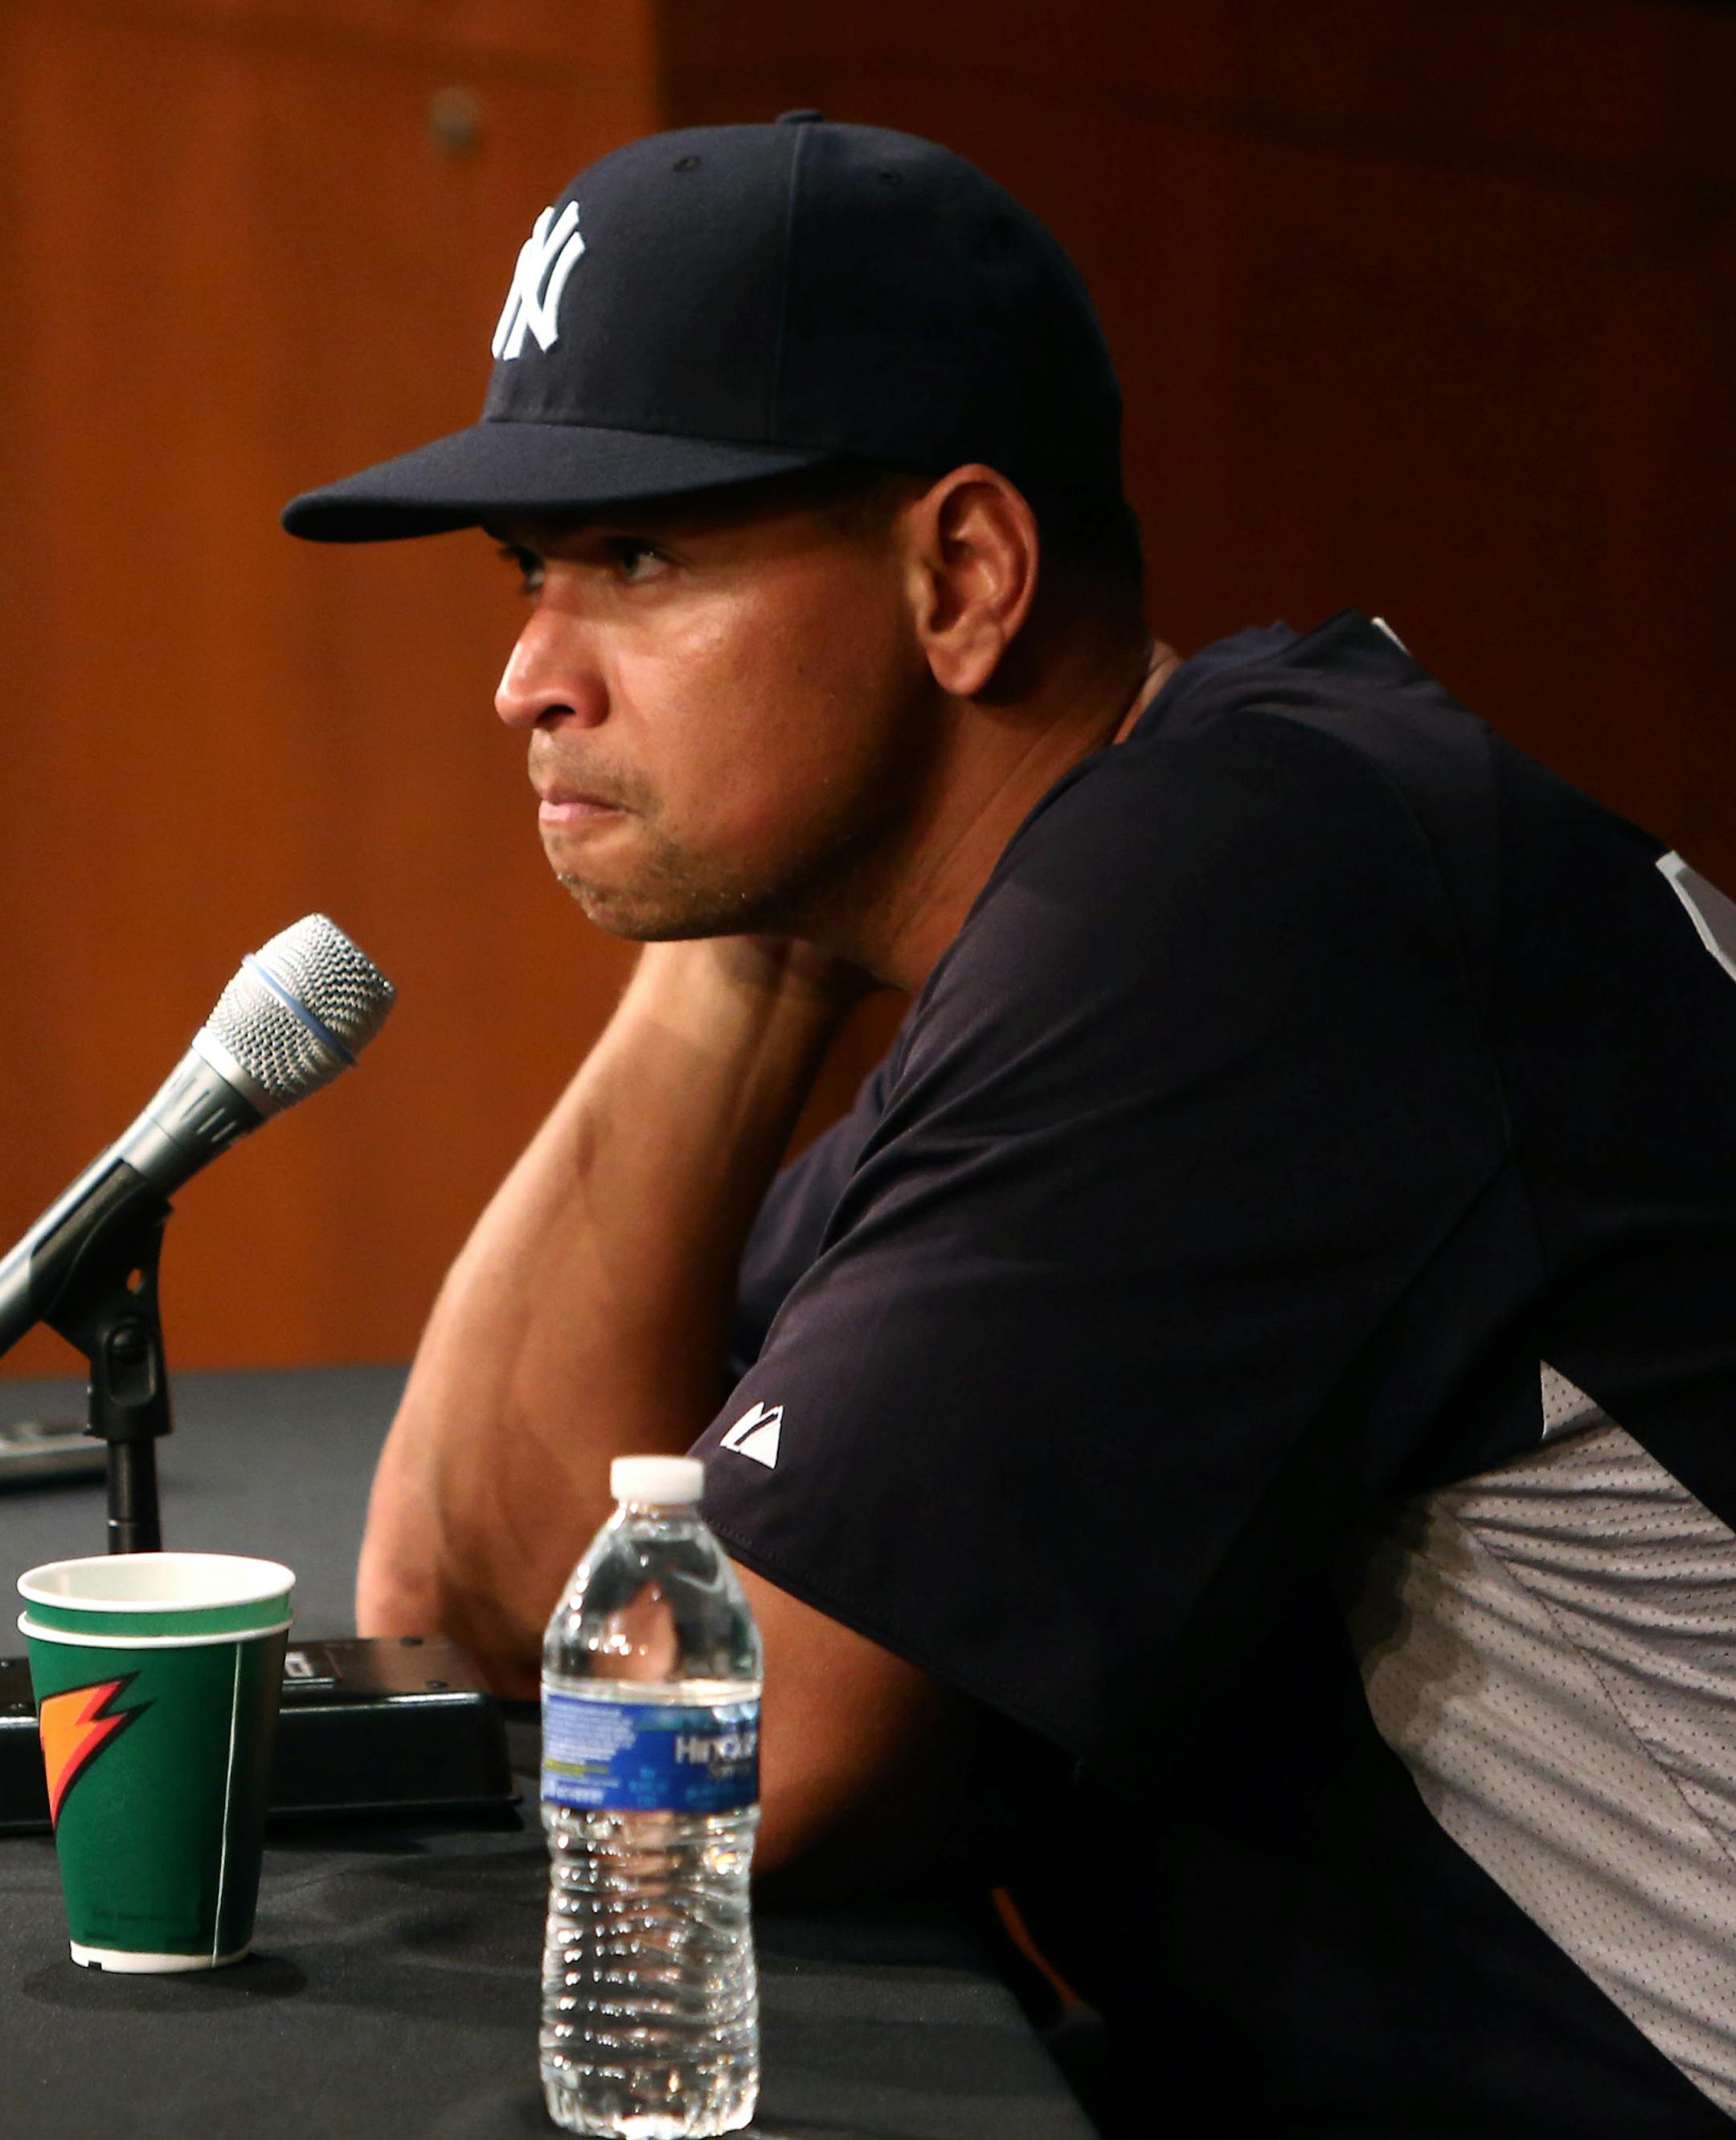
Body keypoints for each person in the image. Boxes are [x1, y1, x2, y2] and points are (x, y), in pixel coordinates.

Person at [282, 115, 1736, 2136]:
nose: (530, 674)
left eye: (638, 559)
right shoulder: (1084, 925)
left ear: (961, 573)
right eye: (531, 573)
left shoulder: (1246, 888)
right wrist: (755, 943)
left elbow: (729, 1766)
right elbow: (483, 1610)